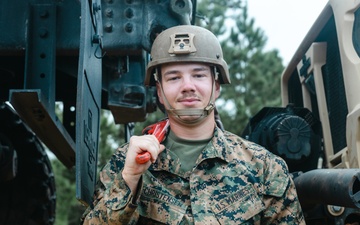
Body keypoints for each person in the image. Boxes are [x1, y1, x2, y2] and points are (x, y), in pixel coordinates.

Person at [81, 25, 305, 224]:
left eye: (198, 75)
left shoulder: (264, 168)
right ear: (159, 91)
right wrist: (129, 179)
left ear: (216, 86)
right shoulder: (126, 163)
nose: (187, 86)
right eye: (174, 78)